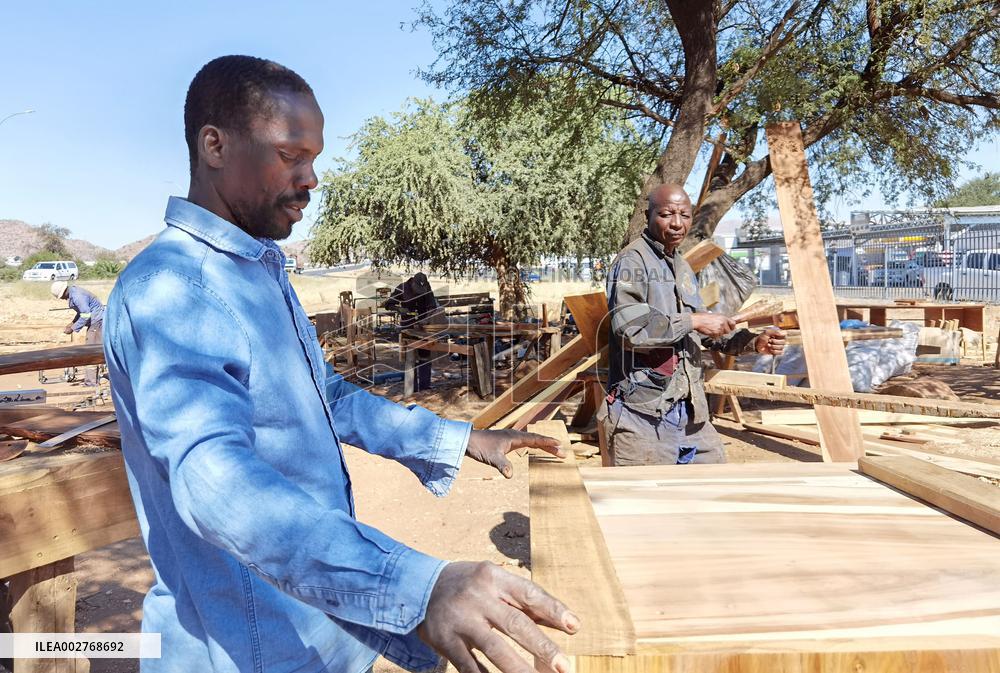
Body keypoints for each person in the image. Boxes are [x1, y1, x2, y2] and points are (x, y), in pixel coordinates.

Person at [103, 56, 578, 673]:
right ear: (214, 145)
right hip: (246, 646)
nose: (311, 178)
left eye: (314, 157)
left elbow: (322, 397)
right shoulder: (173, 289)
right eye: (290, 155)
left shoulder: (254, 271)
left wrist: (455, 438)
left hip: (317, 629)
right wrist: (419, 587)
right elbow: (214, 480)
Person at [601, 183, 786, 466]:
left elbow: (704, 331)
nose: (677, 223)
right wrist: (694, 320)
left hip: (690, 412)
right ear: (648, 214)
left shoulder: (682, 266)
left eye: (684, 215)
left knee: (712, 493)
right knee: (644, 503)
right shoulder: (632, 261)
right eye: (666, 214)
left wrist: (753, 341)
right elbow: (631, 330)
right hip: (643, 413)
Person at [51, 280, 104, 386]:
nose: (62, 299)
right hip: (96, 321)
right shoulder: (74, 293)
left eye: (61, 296)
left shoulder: (77, 296)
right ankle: (94, 379)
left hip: (97, 322)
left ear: (64, 291)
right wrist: (72, 323)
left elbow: (85, 314)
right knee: (93, 351)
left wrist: (73, 328)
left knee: (91, 352)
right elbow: (81, 312)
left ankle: (91, 383)